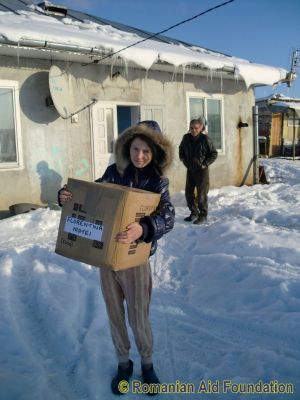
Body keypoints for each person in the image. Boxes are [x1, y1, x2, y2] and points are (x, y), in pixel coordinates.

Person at [58, 120, 175, 395]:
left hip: (135, 261)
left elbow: (167, 217)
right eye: (136, 149)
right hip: (107, 257)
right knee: (114, 314)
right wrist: (67, 196)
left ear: (155, 152)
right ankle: (123, 363)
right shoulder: (114, 171)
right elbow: (92, 196)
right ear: (128, 147)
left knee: (138, 316)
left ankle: (147, 364)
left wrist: (143, 228)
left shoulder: (157, 181)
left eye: (146, 151)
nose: (140, 156)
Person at [179, 117, 218, 224]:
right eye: (191, 128)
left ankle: (203, 215)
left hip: (202, 171)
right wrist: (182, 158)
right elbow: (181, 149)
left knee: (201, 195)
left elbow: (214, 154)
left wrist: (204, 164)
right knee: (188, 194)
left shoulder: (205, 139)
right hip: (190, 170)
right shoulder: (186, 138)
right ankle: (194, 212)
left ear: (201, 128)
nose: (193, 130)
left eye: (196, 128)